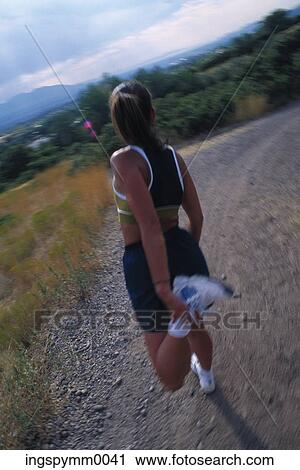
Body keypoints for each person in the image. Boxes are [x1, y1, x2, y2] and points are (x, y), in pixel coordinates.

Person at [109, 80, 215, 394]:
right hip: (183, 248)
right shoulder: (173, 157)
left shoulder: (124, 161)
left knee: (170, 379)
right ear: (152, 115)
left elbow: (150, 228)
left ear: (118, 124)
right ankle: (206, 375)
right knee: (198, 327)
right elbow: (196, 216)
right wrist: (186, 256)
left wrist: (162, 287)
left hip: (145, 260)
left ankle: (179, 323)